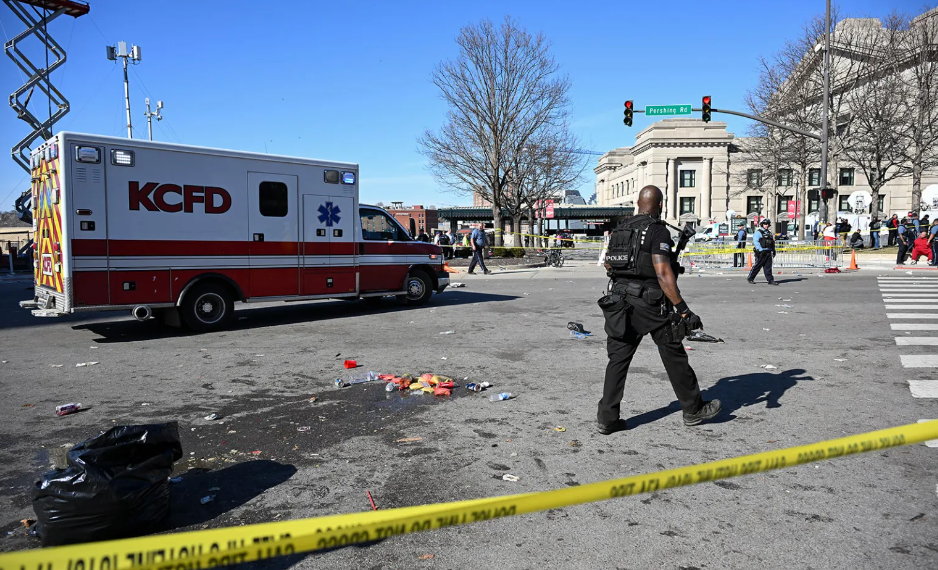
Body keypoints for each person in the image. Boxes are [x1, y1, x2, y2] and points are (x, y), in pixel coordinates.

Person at [597, 185, 721, 434]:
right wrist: (684, 310)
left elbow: (609, 264)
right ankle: (693, 409)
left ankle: (607, 419)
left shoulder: (620, 229)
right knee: (674, 355)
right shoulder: (657, 230)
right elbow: (663, 274)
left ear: (637, 203)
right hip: (651, 306)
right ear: (661, 205)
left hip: (619, 303)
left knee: (617, 360)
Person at [748, 219, 778, 285]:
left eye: (768, 224)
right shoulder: (758, 232)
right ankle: (750, 278)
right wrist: (761, 250)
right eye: (765, 224)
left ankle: (770, 280)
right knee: (757, 266)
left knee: (768, 267)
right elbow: (756, 242)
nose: (766, 225)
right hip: (761, 252)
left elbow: (772, 242)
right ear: (762, 224)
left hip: (768, 251)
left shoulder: (769, 233)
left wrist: (773, 250)